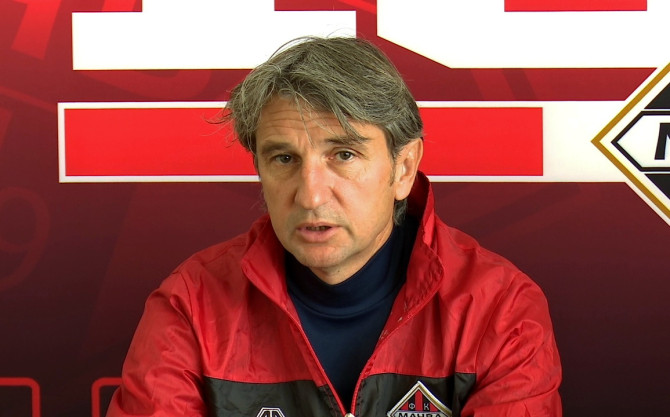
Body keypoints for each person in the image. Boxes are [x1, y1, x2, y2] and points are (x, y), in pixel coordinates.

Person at [106, 36, 562, 417]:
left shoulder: (500, 309)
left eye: (343, 155)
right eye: (284, 159)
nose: (310, 196)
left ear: (403, 168)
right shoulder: (190, 305)